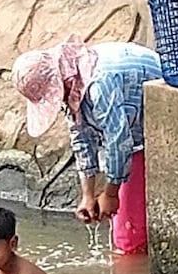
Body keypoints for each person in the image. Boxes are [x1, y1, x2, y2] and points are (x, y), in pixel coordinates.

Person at [11, 35, 162, 255]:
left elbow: (118, 142)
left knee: (128, 238)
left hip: (154, 121)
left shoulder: (98, 83)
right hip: (134, 129)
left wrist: (110, 194)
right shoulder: (72, 83)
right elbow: (81, 139)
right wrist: (88, 195)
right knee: (125, 228)